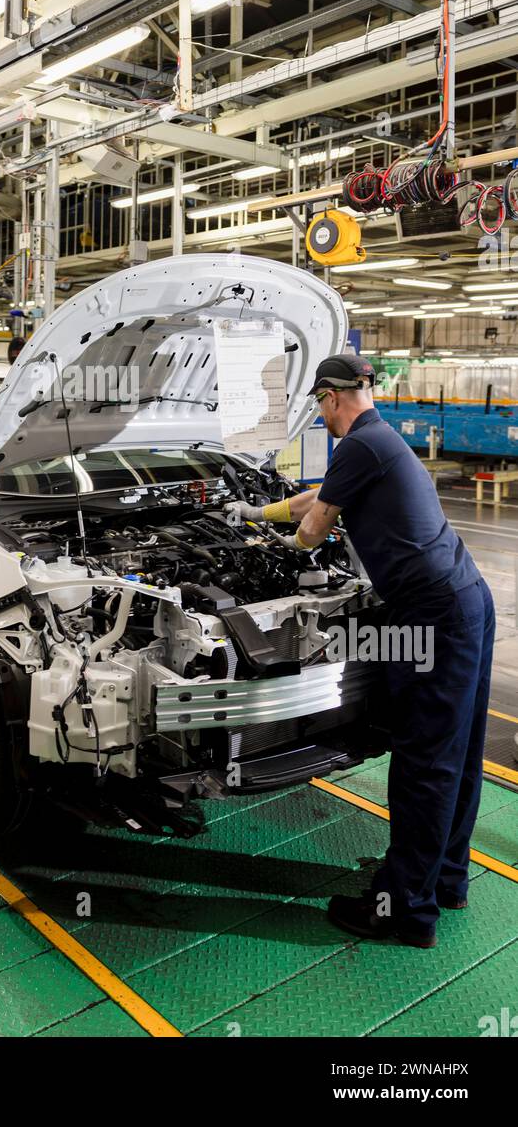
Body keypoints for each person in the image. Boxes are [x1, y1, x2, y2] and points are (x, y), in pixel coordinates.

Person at [228, 351, 494, 949]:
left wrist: (272, 537)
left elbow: (310, 530)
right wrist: (250, 512)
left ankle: (404, 911)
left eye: (319, 405)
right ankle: (446, 881)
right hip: (467, 599)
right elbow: (315, 497)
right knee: (458, 752)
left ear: (330, 397)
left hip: (433, 616)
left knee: (424, 761)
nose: (321, 416)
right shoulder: (379, 439)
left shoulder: (358, 446)